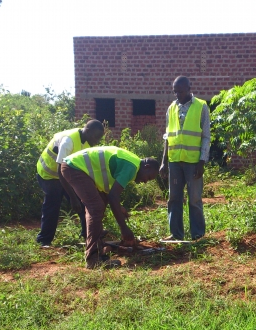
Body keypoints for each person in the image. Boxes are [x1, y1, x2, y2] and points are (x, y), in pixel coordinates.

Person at [61, 146, 160, 269]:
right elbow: (113, 196)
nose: (145, 181)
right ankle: (93, 259)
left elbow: (110, 193)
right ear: (147, 167)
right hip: (75, 168)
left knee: (98, 206)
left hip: (75, 167)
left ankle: (97, 248)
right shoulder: (132, 167)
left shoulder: (132, 163)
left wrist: (119, 207)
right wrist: (124, 228)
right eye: (149, 177)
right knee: (96, 208)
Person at [35, 120, 105, 247]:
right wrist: (72, 198)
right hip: (50, 174)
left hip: (66, 175)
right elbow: (60, 171)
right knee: (53, 204)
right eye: (96, 137)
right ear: (87, 131)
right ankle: (44, 240)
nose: (97, 141)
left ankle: (88, 234)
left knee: (84, 202)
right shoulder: (69, 141)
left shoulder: (88, 142)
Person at [159, 76, 210, 241]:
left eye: (180, 91)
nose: (177, 95)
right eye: (175, 91)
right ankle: (176, 234)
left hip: (193, 162)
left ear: (189, 88)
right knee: (174, 198)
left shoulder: (201, 106)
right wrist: (163, 162)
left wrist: (202, 161)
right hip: (175, 162)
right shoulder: (171, 108)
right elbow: (167, 137)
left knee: (194, 199)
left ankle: (198, 234)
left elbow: (205, 137)